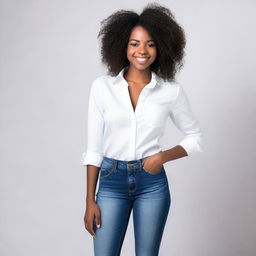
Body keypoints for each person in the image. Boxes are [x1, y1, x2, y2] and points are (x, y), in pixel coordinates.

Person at [81, 2, 203, 256]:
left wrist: (162, 157)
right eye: (134, 43)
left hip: (152, 185)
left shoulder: (170, 91)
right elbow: (94, 149)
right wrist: (89, 200)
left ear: (161, 48)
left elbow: (195, 138)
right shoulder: (102, 88)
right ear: (122, 46)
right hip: (111, 181)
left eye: (150, 44)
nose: (142, 51)